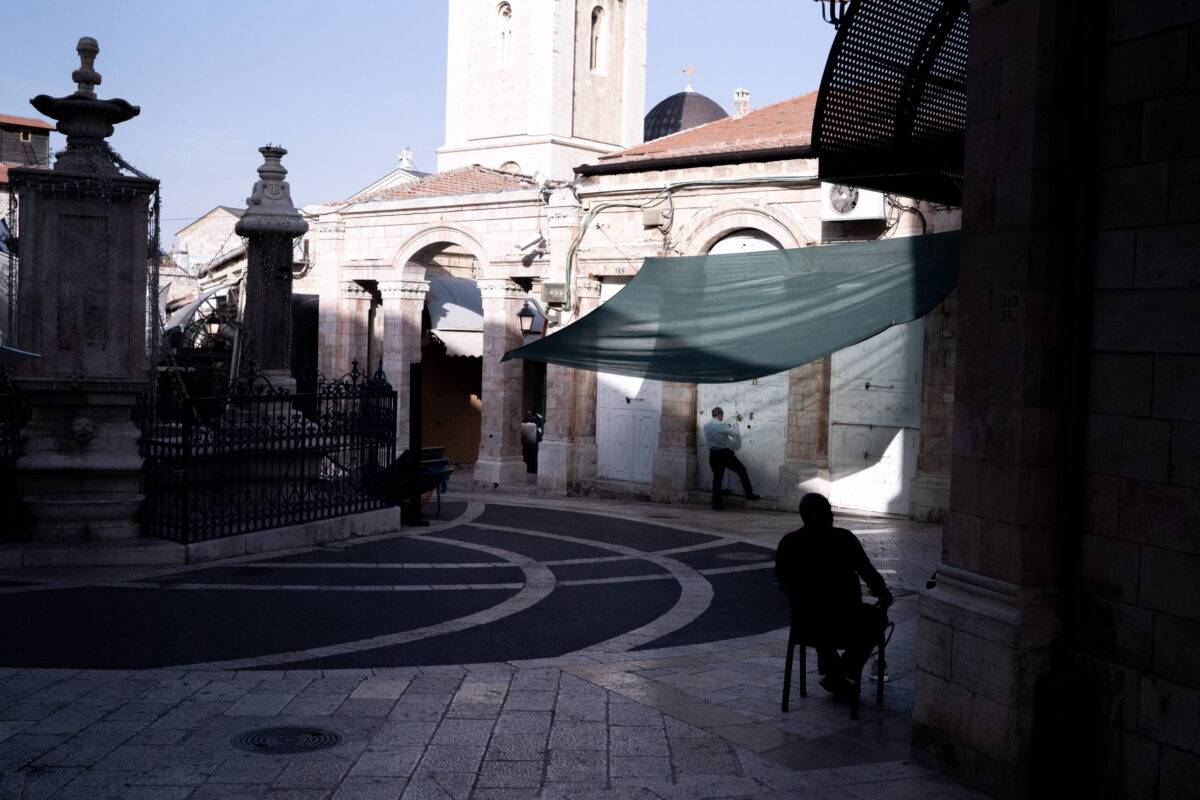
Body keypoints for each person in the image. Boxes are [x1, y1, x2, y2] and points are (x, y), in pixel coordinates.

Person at [774, 492, 893, 701]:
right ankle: (840, 671)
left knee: (817, 615)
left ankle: (833, 671)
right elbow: (868, 573)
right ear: (813, 515)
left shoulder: (789, 542)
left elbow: (785, 586)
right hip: (844, 623)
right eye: (827, 511)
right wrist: (884, 595)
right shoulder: (844, 539)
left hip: (805, 625)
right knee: (877, 619)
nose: (832, 515)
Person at [702, 406, 761, 510]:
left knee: (717, 479)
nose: (722, 417)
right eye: (722, 415)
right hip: (725, 454)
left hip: (713, 455)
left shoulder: (706, 426)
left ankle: (716, 504)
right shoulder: (721, 425)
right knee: (742, 470)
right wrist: (735, 426)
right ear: (720, 415)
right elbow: (735, 435)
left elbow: (718, 434)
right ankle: (749, 494)